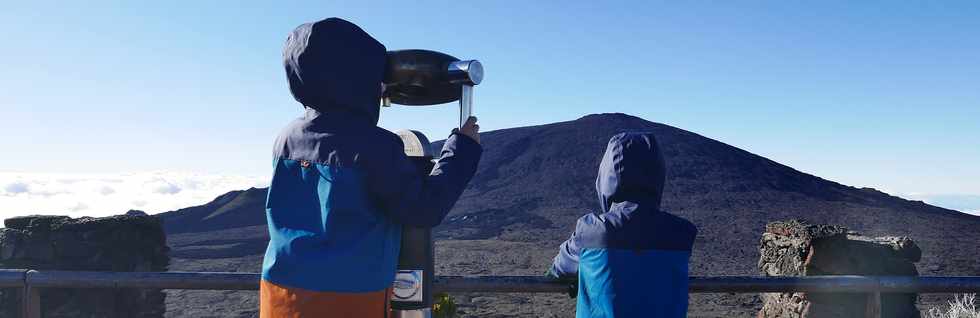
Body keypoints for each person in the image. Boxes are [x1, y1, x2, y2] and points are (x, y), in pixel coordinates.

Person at [260, 18, 482, 318]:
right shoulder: (375, 145)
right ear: (355, 78)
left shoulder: (286, 137)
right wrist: (462, 149)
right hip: (347, 298)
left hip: (281, 291)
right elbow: (423, 209)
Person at [549, 132, 697, 318]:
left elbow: (558, 269)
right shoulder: (682, 232)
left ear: (605, 177)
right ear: (658, 174)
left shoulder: (590, 230)